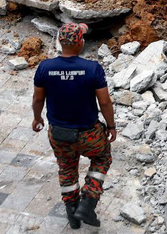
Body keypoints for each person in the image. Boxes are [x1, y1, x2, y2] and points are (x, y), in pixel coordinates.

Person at [31, 23, 116, 229]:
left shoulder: (45, 67)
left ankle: (72, 214)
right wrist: (111, 126)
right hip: (89, 133)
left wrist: (37, 118)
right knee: (102, 157)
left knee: (67, 168)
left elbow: (37, 98)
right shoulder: (92, 68)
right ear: (80, 43)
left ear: (60, 41)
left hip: (59, 133)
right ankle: (88, 202)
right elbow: (104, 102)